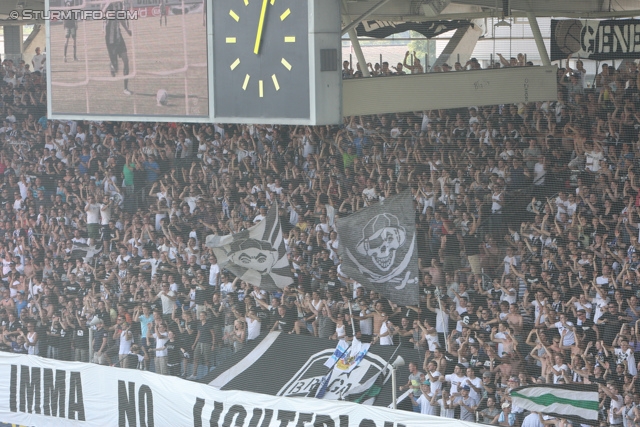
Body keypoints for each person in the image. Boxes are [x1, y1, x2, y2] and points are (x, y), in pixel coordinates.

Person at [104, 0, 132, 95]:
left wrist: (127, 30)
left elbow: (120, 19)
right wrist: (107, 6)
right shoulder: (109, 4)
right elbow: (103, 13)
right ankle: (112, 65)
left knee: (126, 61)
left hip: (118, 36)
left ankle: (126, 88)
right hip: (110, 39)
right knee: (116, 69)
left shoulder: (120, 4)